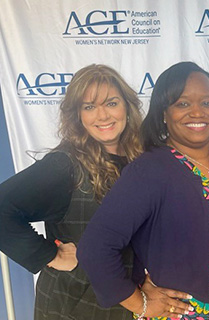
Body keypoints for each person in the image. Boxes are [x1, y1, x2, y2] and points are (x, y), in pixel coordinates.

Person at [77, 61, 209, 319]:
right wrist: (140, 304)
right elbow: (95, 248)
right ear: (163, 112)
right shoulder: (150, 170)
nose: (197, 112)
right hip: (179, 312)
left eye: (207, 103)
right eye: (183, 103)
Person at [0, 64, 143, 319]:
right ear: (78, 115)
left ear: (127, 107)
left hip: (132, 302)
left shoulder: (143, 159)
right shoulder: (63, 165)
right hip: (75, 307)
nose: (102, 116)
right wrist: (49, 254)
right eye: (89, 107)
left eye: (111, 103)